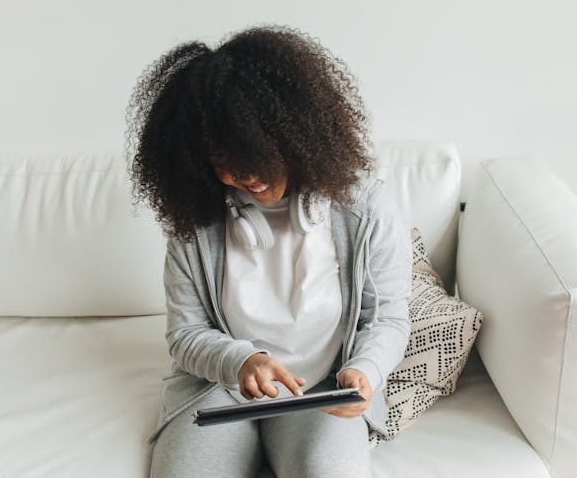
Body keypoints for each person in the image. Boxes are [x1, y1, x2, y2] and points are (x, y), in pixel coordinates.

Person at [125, 24, 412, 478]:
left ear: (293, 135)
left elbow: (388, 318)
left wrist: (365, 372)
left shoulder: (365, 208)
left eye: (254, 154)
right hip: (216, 388)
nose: (243, 175)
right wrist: (241, 361)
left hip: (321, 389)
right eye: (221, 160)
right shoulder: (195, 220)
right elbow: (185, 334)